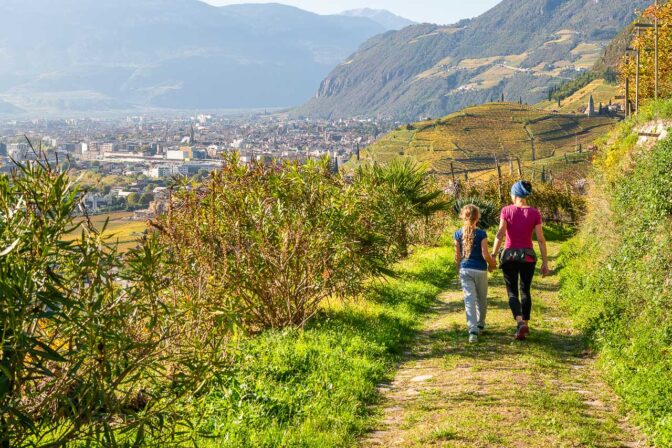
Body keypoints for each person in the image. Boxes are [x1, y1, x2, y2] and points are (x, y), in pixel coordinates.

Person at [491, 181, 549, 341]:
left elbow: (500, 233)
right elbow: (541, 239)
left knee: (512, 292)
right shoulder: (535, 213)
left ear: (515, 195)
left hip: (510, 256)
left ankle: (519, 322)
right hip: (528, 257)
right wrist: (545, 262)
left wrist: (493, 255)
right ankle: (526, 324)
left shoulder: (506, 210)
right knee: (525, 290)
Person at [454, 204, 497, 343]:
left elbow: (457, 256)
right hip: (480, 270)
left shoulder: (457, 234)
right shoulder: (481, 234)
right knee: (481, 298)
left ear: (462, 216)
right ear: (478, 217)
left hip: (465, 269)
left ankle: (472, 330)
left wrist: (458, 270)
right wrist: (492, 264)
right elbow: (485, 254)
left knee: (469, 299)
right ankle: (480, 324)